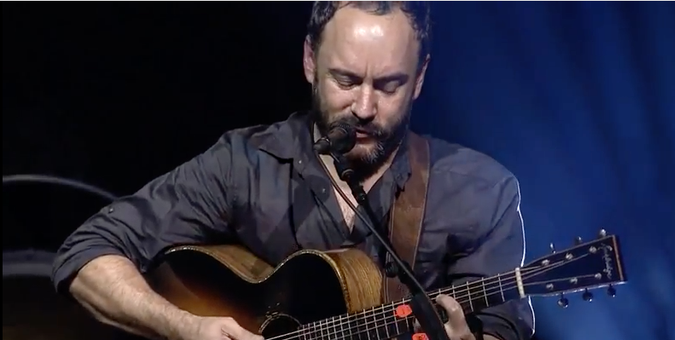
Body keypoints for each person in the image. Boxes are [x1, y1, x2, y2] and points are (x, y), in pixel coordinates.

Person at [51, 2, 535, 340]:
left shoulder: (482, 193)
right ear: (310, 61)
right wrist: (184, 327)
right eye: (346, 80)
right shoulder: (244, 163)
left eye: (389, 85)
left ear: (421, 78)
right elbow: (86, 253)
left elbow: (501, 326)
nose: (364, 107)